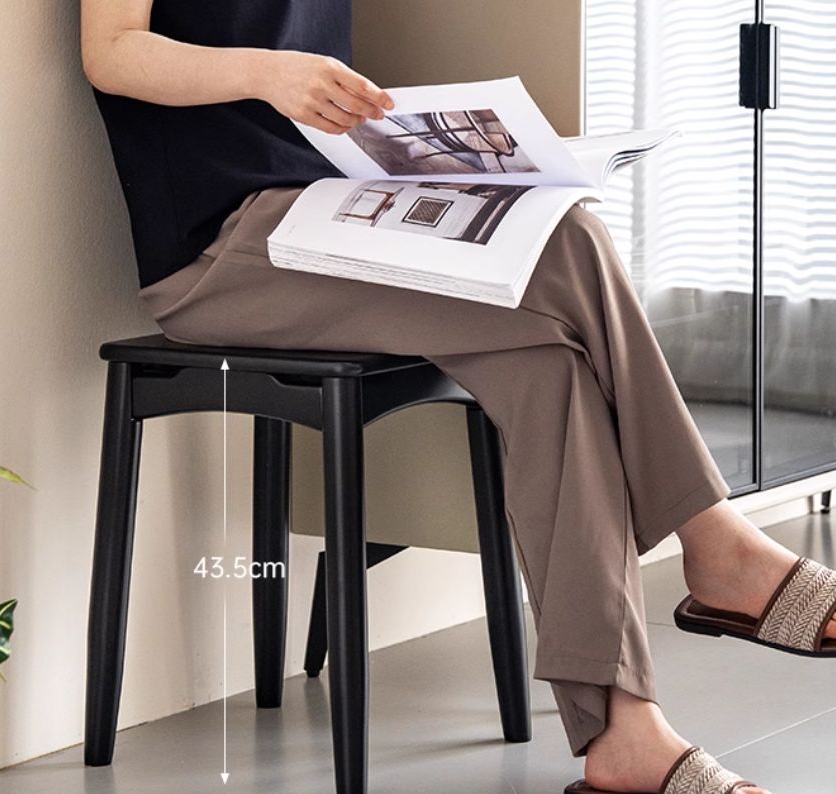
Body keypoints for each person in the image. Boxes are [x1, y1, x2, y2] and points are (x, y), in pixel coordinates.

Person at [81, 2, 836, 792]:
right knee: (571, 239)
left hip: (329, 211)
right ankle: (714, 541)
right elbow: (111, 52)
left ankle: (623, 733)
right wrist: (270, 75)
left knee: (549, 362)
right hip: (222, 252)